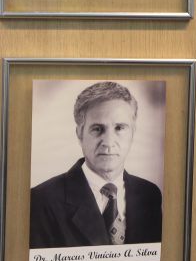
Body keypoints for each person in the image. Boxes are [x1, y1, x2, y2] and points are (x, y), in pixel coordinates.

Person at [30, 81, 163, 248]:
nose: (108, 142)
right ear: (79, 134)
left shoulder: (149, 195)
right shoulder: (42, 201)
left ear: (133, 133)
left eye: (119, 128)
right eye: (98, 129)